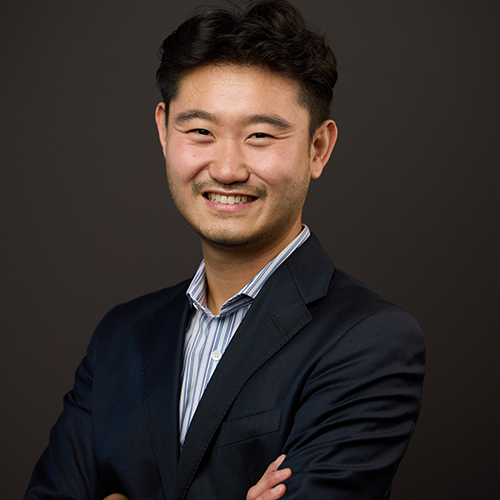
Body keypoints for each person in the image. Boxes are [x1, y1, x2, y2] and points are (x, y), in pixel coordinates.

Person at [24, 1, 425, 499]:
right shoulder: (120, 337)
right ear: (164, 132)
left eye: (260, 135)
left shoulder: (369, 340)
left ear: (318, 148)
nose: (228, 168)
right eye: (200, 132)